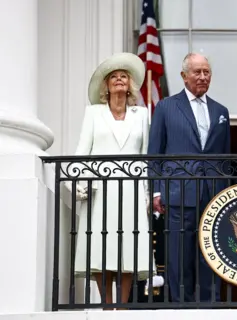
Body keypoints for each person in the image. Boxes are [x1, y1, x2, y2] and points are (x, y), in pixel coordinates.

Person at [148, 53, 231, 302]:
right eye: (197, 72)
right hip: (178, 191)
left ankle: (210, 307)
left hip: (213, 194)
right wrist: (156, 190)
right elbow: (156, 153)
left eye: (207, 72)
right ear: (184, 76)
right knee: (178, 256)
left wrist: (225, 191)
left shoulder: (221, 111)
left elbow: (224, 158)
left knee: (212, 254)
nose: (203, 77)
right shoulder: (166, 107)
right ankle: (179, 308)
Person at [72, 52, 153, 308]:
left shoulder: (141, 115)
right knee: (100, 243)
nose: (119, 80)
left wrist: (147, 192)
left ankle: (123, 305)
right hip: (101, 189)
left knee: (129, 242)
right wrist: (80, 183)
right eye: (114, 77)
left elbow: (146, 155)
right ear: (106, 86)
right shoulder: (93, 113)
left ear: (130, 85)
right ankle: (106, 305)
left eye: (124, 77)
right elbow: (81, 152)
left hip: (131, 188)